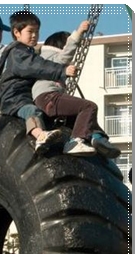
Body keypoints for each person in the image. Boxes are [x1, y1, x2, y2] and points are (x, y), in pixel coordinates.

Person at [33, 24, 120, 158]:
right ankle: (75, 142)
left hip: (47, 99)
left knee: (83, 116)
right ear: (61, 46)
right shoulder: (49, 57)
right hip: (48, 97)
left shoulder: (44, 61)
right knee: (88, 106)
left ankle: (97, 136)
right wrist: (79, 33)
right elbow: (65, 55)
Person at [0, 11, 77, 154]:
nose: (35, 35)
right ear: (16, 32)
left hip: (23, 96)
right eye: (30, 31)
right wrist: (61, 71)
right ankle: (40, 135)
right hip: (15, 99)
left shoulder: (27, 52)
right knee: (31, 111)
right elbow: (37, 66)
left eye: (37, 31)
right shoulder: (18, 53)